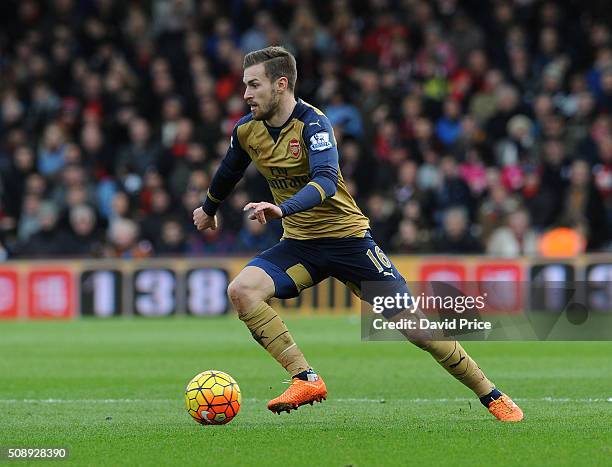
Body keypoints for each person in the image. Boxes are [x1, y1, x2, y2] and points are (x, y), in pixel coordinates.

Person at [192, 46, 523, 421]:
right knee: (242, 290)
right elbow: (229, 169)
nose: (246, 94)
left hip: (349, 242)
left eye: (254, 85)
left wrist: (280, 208)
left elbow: (326, 181)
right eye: (245, 85)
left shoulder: (314, 125)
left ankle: (491, 395)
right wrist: (208, 208)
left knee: (418, 331)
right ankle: (306, 378)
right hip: (301, 246)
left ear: (281, 85)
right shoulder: (247, 130)